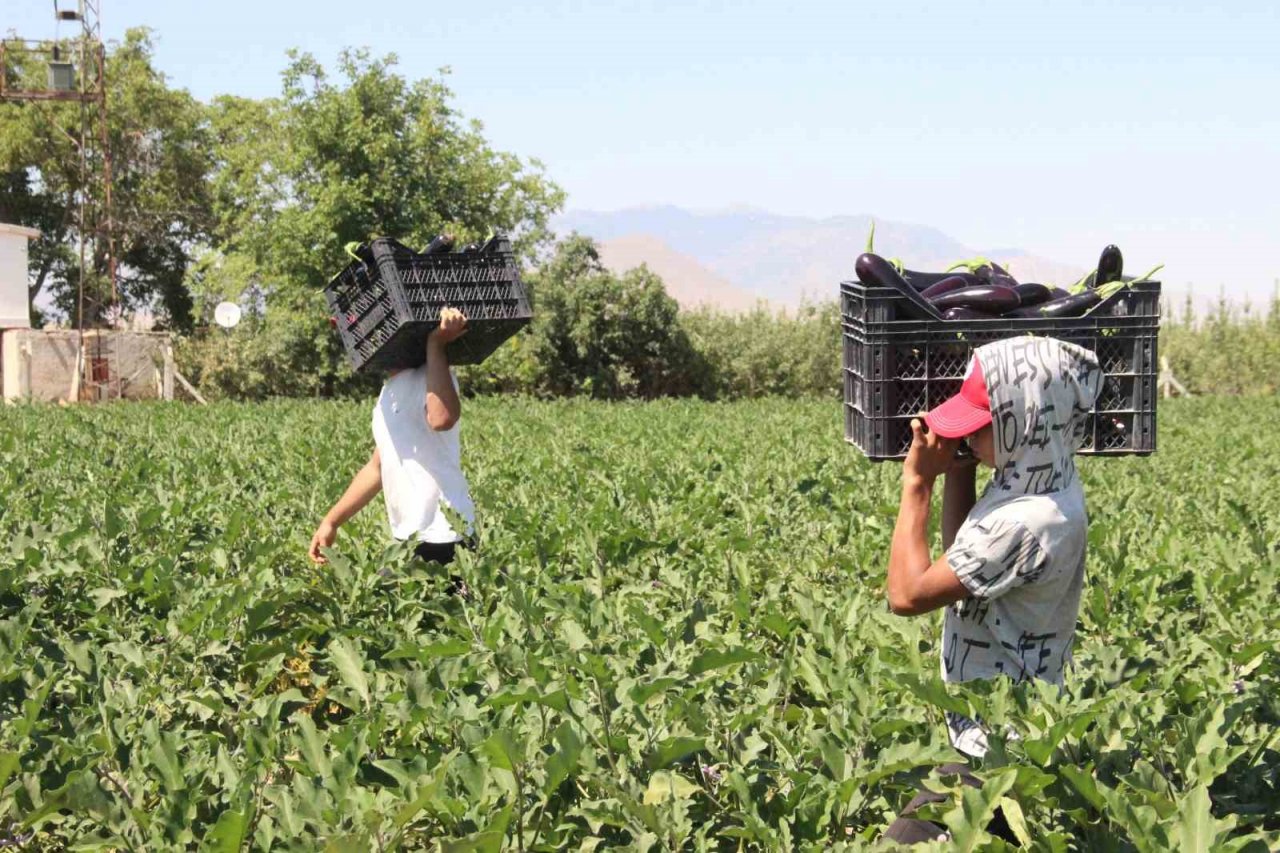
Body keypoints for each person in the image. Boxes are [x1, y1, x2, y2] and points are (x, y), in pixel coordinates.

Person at [881, 335, 1103, 844]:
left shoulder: (1026, 523)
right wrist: (960, 470)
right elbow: (965, 557)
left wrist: (916, 483)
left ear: (1025, 417)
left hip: (1000, 750)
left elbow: (906, 595)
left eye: (983, 422)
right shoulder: (1042, 480)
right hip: (1010, 731)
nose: (972, 432)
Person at [309, 307, 476, 569]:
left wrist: (436, 343)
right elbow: (378, 467)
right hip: (408, 537)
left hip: (446, 535)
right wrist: (331, 521)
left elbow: (442, 418)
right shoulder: (389, 393)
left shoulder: (432, 374)